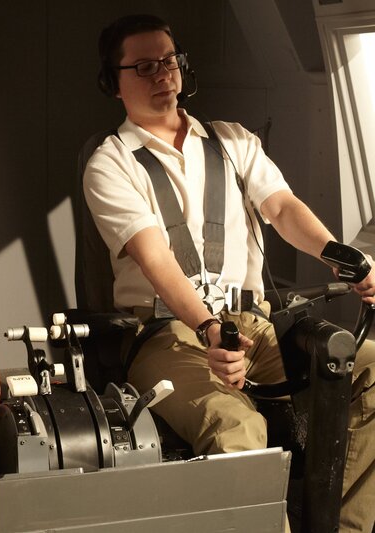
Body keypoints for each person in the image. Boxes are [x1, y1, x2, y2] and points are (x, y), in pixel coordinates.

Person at [83, 14, 374, 531]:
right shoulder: (111, 163)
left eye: (169, 61)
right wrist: (208, 327)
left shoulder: (232, 141)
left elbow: (282, 208)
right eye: (144, 66)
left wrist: (339, 254)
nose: (163, 74)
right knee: (237, 426)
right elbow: (155, 259)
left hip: (254, 326)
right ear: (113, 83)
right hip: (167, 334)